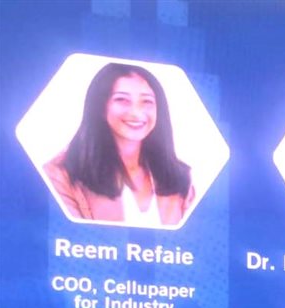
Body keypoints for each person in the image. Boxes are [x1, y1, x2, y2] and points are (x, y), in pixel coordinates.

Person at [43, 61, 193, 226]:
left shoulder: (181, 176)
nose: (136, 113)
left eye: (147, 101)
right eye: (122, 99)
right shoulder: (61, 175)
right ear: (100, 107)